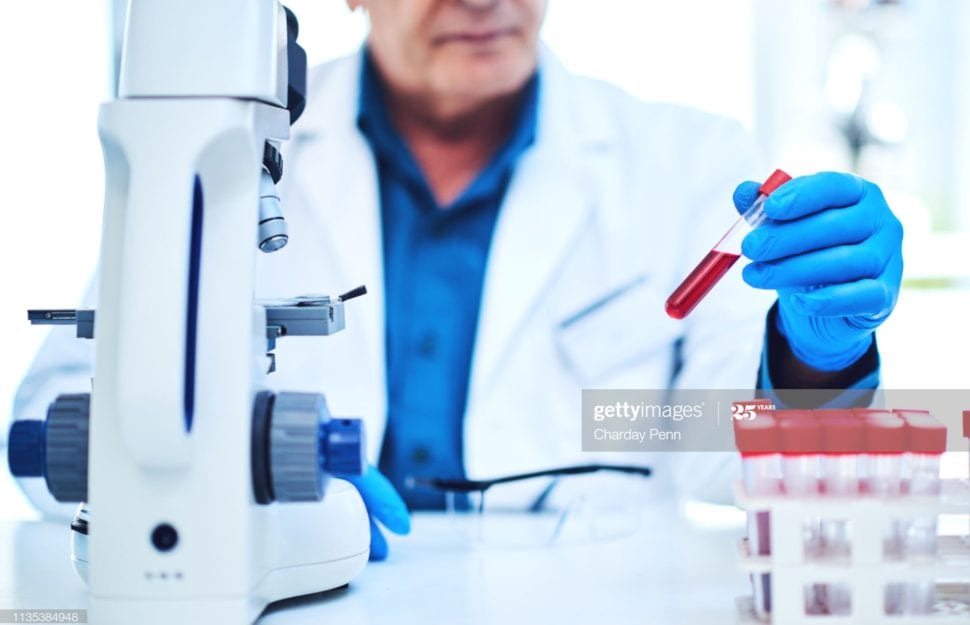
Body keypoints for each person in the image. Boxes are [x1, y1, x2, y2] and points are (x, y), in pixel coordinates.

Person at [11, 0, 903, 561]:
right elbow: (49, 420)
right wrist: (238, 470)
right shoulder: (225, 149)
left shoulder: (687, 160)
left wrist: (816, 359)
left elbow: (733, 467)